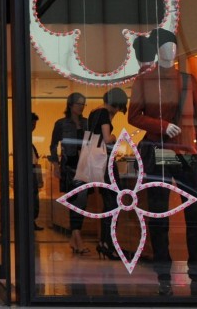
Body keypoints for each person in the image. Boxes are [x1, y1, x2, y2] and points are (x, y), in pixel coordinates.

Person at [128, 28, 197, 297]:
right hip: (160, 151)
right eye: (165, 45)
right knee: (158, 213)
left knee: (195, 214)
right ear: (157, 49)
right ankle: (163, 271)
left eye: (173, 45)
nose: (171, 49)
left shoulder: (189, 81)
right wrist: (162, 126)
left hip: (186, 153)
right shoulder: (144, 80)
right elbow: (134, 116)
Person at [87, 87, 128, 260]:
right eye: (119, 108)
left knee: (109, 203)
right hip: (105, 163)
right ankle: (109, 245)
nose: (118, 112)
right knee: (114, 204)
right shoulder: (104, 113)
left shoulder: (94, 112)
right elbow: (106, 138)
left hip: (96, 162)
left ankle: (104, 243)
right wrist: (116, 136)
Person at [49, 92, 87, 254]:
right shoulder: (61, 124)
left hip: (84, 166)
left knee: (82, 202)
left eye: (83, 104)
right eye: (79, 103)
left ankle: (74, 238)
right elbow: (53, 146)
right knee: (74, 201)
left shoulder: (87, 123)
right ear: (70, 105)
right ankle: (78, 237)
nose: (81, 107)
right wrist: (56, 165)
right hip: (69, 167)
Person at [30, 112, 43, 231]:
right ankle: (30, 221)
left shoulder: (28, 140)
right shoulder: (24, 140)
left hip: (33, 170)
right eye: (33, 124)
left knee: (34, 196)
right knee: (32, 197)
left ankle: (32, 221)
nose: (34, 126)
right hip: (30, 171)